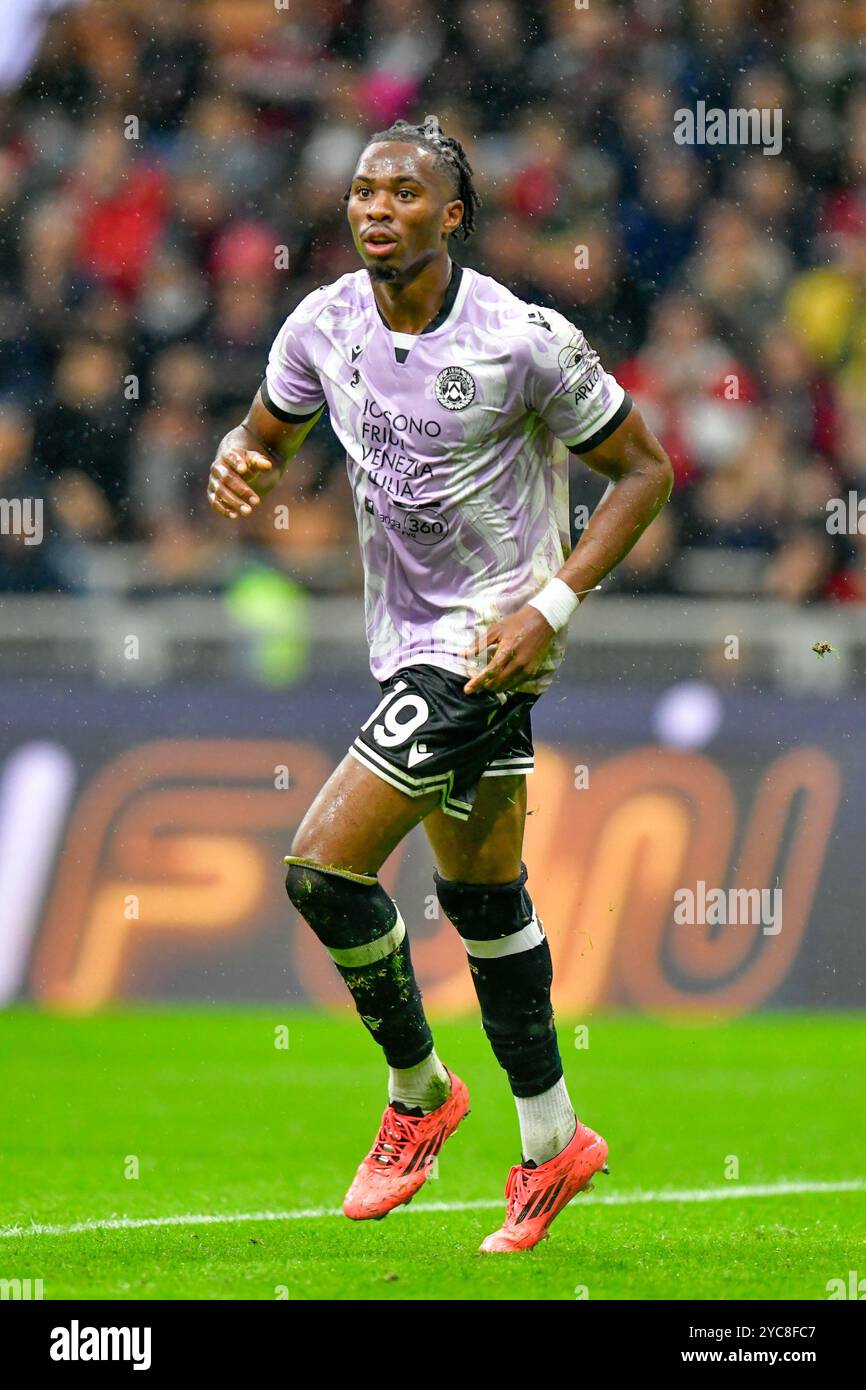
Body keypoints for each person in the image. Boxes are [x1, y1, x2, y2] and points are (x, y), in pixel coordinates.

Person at [206, 116, 673, 1252]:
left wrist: (546, 606)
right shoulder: (321, 325)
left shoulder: (520, 340)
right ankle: (551, 1135)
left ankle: (418, 1093)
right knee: (482, 900)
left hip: (486, 643)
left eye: (403, 195)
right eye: (362, 190)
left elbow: (642, 472)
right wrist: (240, 453)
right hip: (402, 635)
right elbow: (270, 428)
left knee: (323, 866)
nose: (374, 208)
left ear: (450, 217)